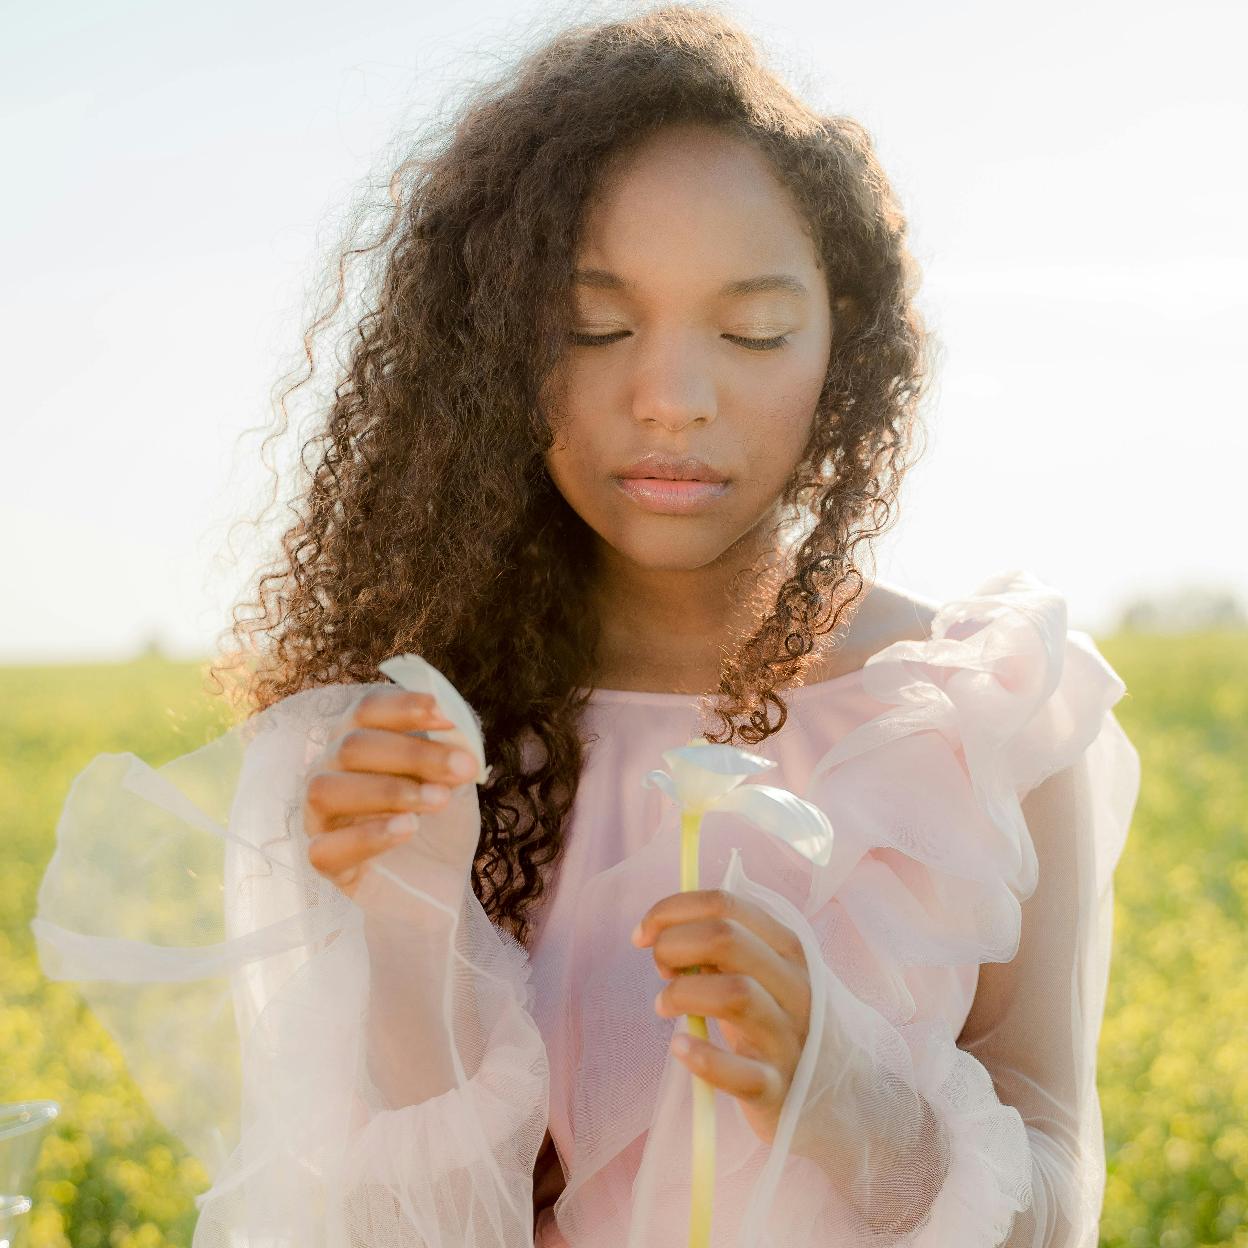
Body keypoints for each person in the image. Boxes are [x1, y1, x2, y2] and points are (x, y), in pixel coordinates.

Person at [31, 6, 1140, 1246]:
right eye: (594, 326)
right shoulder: (397, 746)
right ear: (494, 348)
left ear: (849, 348)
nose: (669, 398)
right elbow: (368, 1226)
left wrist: (856, 1106)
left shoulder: (981, 713)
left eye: (754, 330)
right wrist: (414, 938)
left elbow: (1058, 1209)